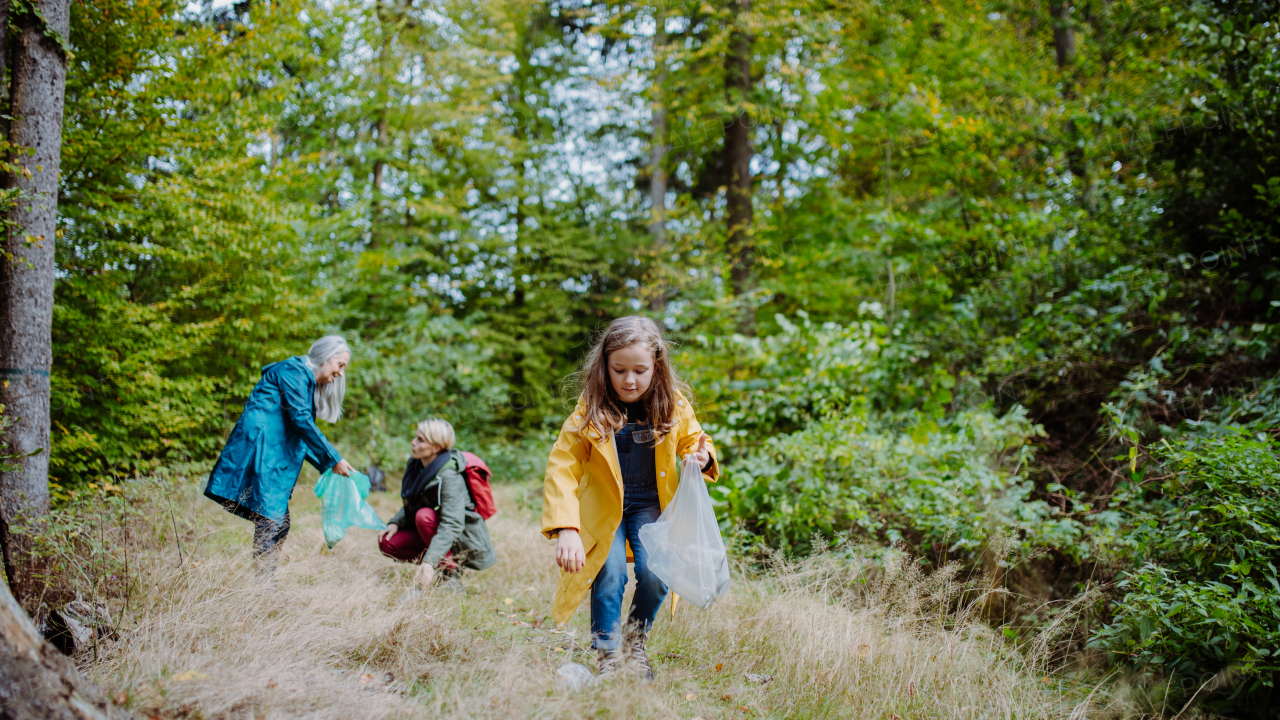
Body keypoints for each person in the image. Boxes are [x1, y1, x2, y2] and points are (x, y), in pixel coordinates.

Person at [542, 316, 717, 680]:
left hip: (652, 505)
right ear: (605, 366)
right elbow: (563, 464)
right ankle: (607, 654)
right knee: (608, 573)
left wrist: (702, 458)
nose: (630, 380)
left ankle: (635, 641)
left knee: (656, 573)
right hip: (606, 509)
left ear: (657, 365)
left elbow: (694, 441)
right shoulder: (589, 408)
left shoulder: (674, 405)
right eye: (619, 369)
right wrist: (567, 529)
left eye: (640, 370)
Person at [205, 336, 355, 572]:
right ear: (326, 357)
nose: (341, 373)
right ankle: (262, 589)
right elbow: (301, 421)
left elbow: (301, 433)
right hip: (259, 453)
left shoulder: (303, 381)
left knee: (277, 523)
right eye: (340, 365)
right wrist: (333, 458)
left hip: (271, 456)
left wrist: (330, 464)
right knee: (272, 521)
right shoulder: (292, 371)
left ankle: (264, 585)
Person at [378, 418, 497, 588]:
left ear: (436, 447)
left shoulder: (450, 476)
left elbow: (452, 524)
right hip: (436, 530)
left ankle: (450, 574)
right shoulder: (417, 465)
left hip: (458, 538)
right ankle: (439, 566)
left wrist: (430, 560)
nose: (413, 442)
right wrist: (396, 522)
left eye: (420, 440)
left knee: (423, 516)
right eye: (415, 437)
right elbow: (413, 500)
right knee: (388, 542)